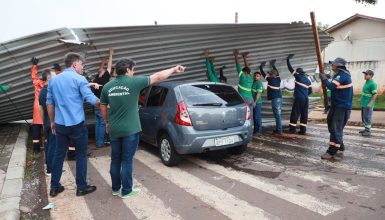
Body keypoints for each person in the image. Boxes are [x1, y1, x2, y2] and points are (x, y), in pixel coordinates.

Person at [100, 59, 185, 199]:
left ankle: (115, 189)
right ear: (127, 70)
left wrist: (106, 122)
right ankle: (126, 191)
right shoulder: (134, 82)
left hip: (115, 129)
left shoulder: (107, 87)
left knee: (115, 159)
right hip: (131, 130)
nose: (134, 72)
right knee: (127, 160)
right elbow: (158, 76)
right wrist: (174, 69)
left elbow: (103, 107)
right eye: (133, 69)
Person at [47, 52, 100, 197]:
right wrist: (104, 104)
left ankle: (54, 187)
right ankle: (81, 187)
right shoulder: (79, 79)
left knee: (59, 154)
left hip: (60, 124)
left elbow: (49, 104)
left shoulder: (53, 81)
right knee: (81, 154)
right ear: (74, 64)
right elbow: (90, 99)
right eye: (82, 64)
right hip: (77, 125)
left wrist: (52, 122)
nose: (83, 68)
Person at [319, 57, 353, 160]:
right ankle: (340, 144)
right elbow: (336, 84)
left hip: (341, 106)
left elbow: (332, 87)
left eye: (333, 64)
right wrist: (328, 77)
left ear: (338, 66)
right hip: (336, 105)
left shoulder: (342, 75)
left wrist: (324, 79)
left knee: (335, 128)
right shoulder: (339, 75)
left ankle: (332, 151)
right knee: (331, 123)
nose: (332, 65)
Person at [92, 48, 113, 148]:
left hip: (95, 105)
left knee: (98, 124)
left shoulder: (96, 79)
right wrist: (110, 54)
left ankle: (98, 141)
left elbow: (101, 69)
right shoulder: (104, 79)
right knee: (102, 124)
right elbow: (109, 67)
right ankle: (100, 143)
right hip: (101, 105)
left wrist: (103, 62)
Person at [286, 54, 312, 135]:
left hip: (299, 98)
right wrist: (304, 94)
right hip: (306, 99)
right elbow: (310, 91)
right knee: (304, 113)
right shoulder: (308, 80)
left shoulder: (298, 76)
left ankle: (292, 129)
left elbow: (290, 69)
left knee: (295, 112)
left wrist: (287, 60)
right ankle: (303, 130)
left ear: (298, 72)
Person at [38, 69, 57, 175]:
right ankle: (51, 169)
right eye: (54, 77)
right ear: (49, 78)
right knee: (52, 146)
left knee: (49, 144)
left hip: (47, 122)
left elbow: (41, 109)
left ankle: (49, 166)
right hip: (52, 122)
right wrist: (51, 122)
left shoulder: (42, 92)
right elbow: (51, 107)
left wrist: (43, 123)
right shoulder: (49, 91)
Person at [260, 59, 283, 135]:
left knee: (277, 114)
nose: (270, 75)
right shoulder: (278, 79)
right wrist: (273, 65)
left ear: (273, 75)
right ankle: (279, 129)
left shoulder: (270, 80)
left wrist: (261, 67)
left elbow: (263, 75)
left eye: (271, 74)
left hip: (275, 99)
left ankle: (279, 130)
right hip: (279, 98)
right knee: (278, 113)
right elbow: (277, 73)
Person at [30, 57, 45, 153]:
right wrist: (59, 70)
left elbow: (34, 76)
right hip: (44, 107)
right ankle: (47, 145)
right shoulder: (48, 84)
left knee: (36, 126)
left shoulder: (37, 83)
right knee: (46, 127)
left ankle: (36, 148)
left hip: (37, 107)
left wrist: (34, 65)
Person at [359, 69, 377, 137]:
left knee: (367, 117)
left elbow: (375, 94)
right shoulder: (366, 82)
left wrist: (370, 103)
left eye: (366, 74)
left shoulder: (372, 84)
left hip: (368, 104)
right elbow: (365, 92)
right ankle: (366, 129)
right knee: (364, 117)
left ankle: (368, 131)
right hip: (364, 103)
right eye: (365, 74)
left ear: (371, 76)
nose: (365, 76)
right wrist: (361, 98)